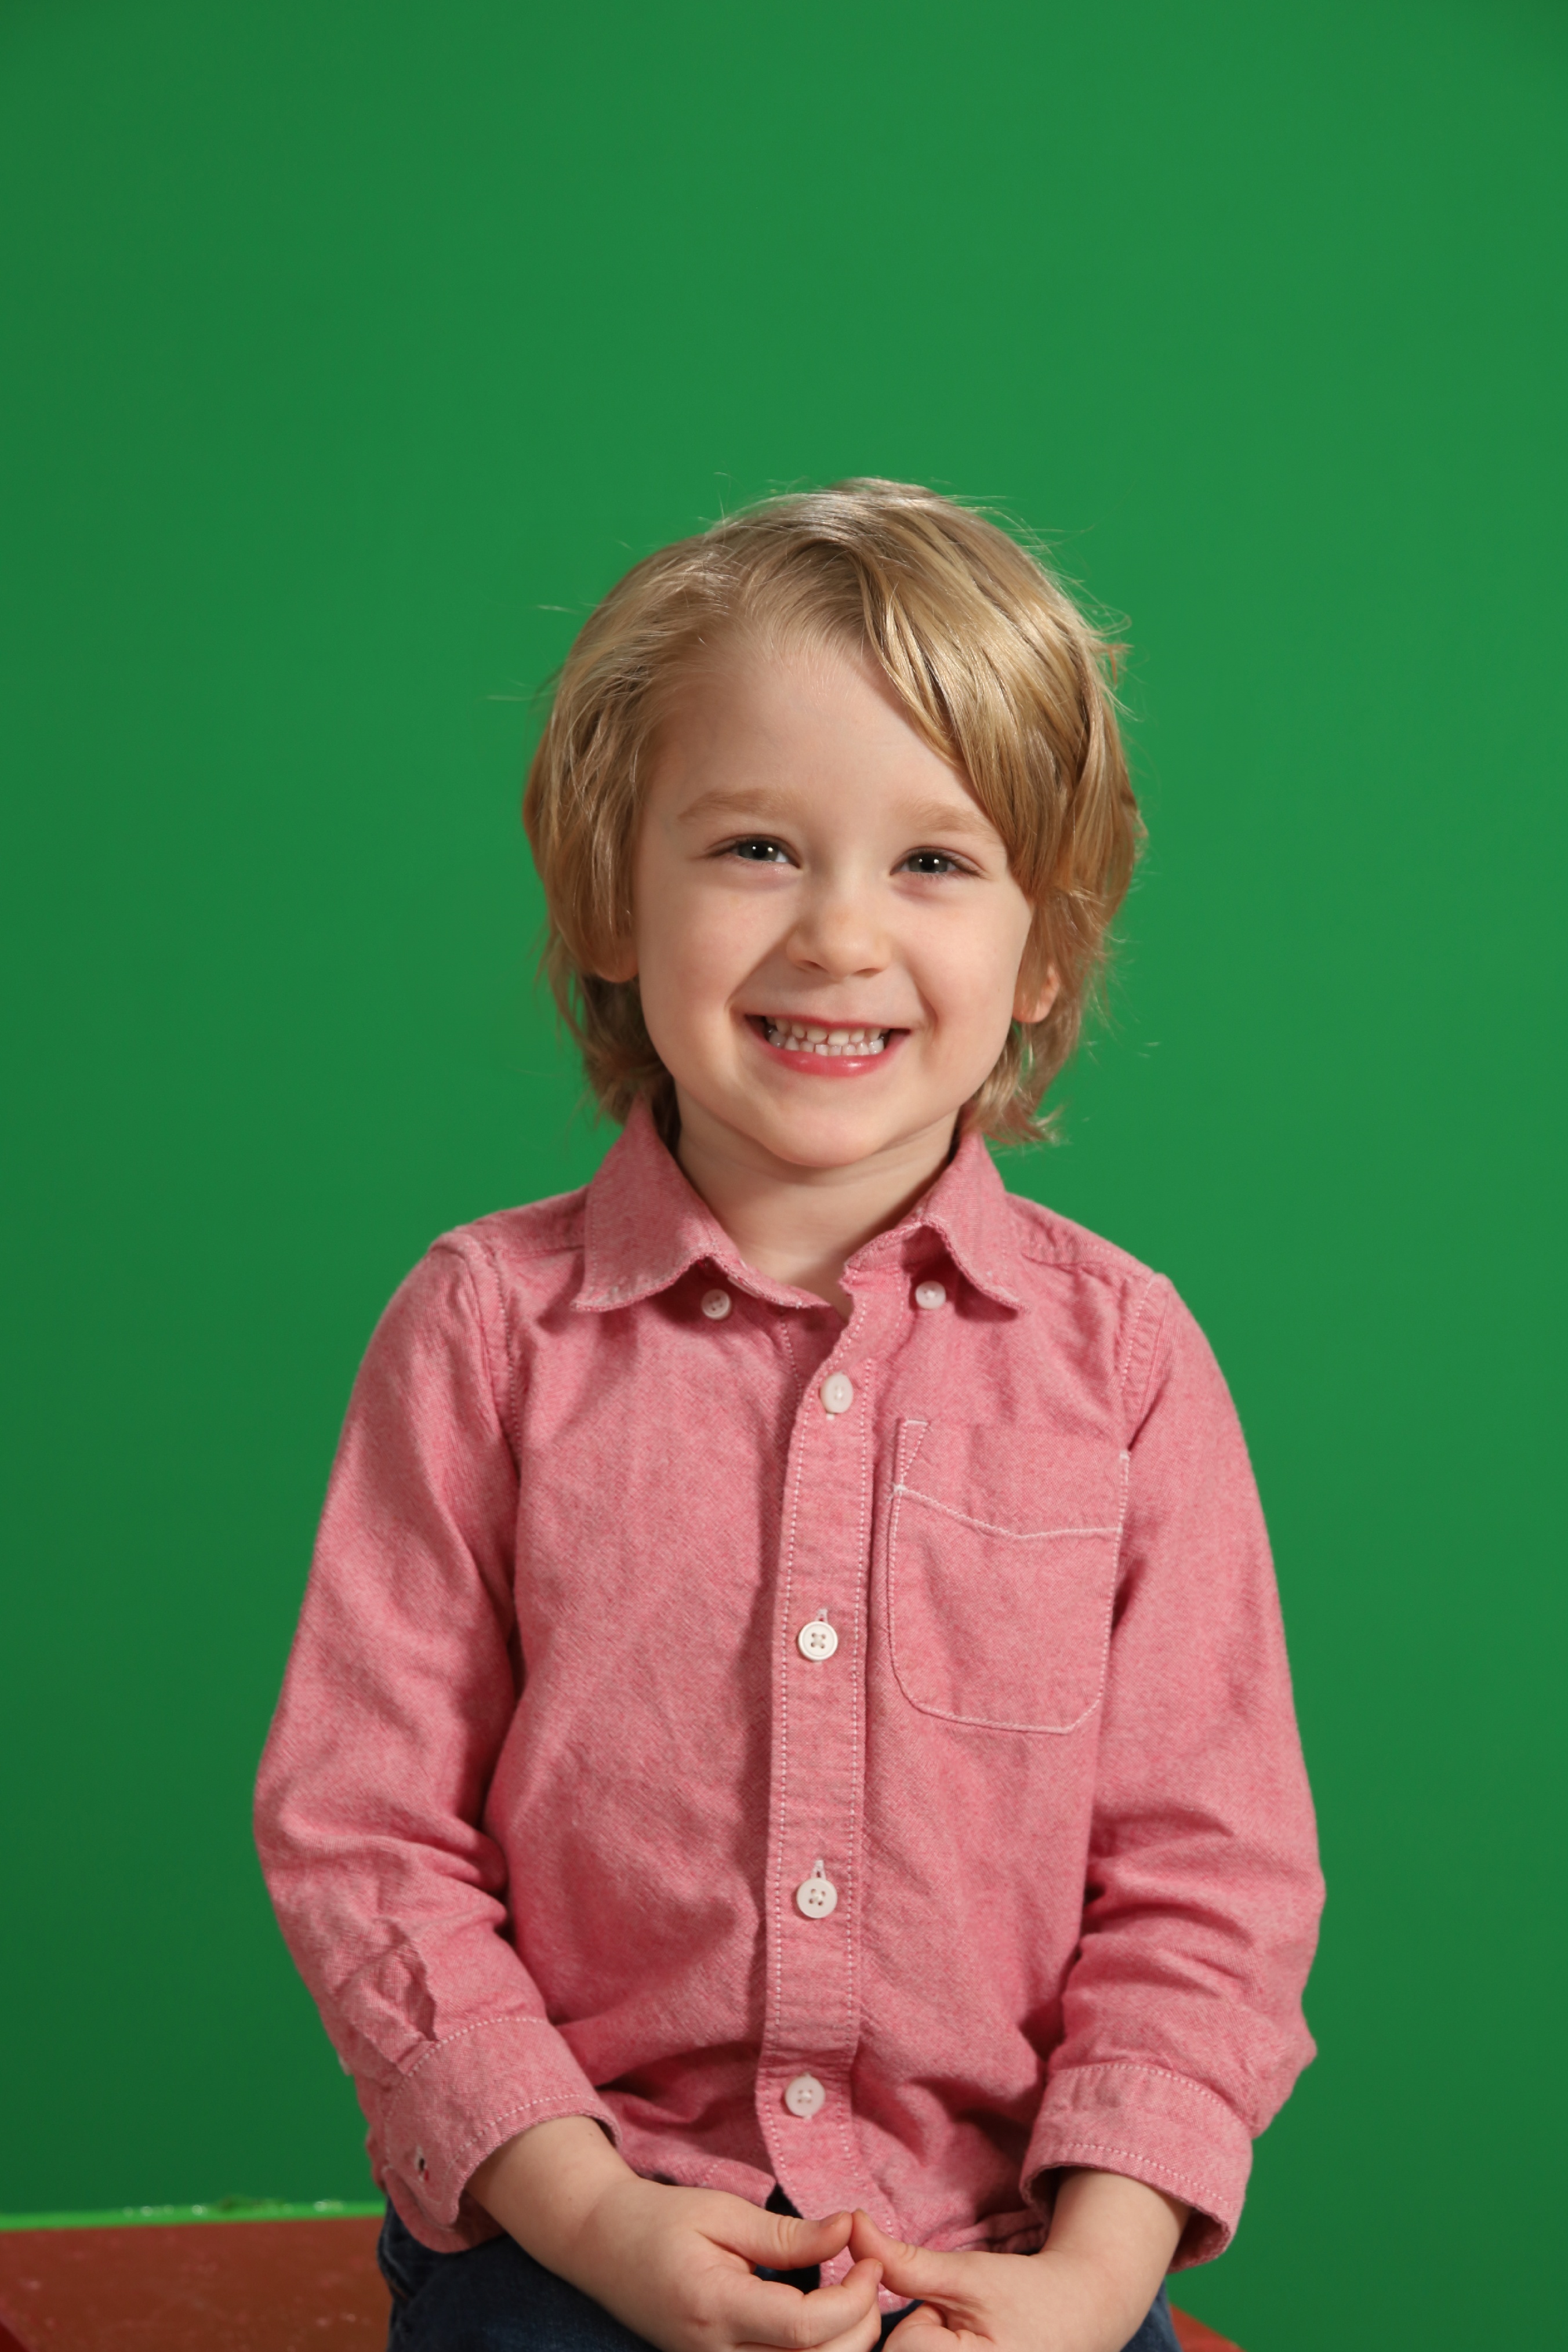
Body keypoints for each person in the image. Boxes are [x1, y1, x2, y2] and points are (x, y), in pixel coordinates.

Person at [255, 481, 1322, 2352]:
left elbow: (1205, 1886)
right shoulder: (486, 1334)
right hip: (581, 2230)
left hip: (1005, 2254)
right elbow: (368, 1834)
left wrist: (1091, 2280)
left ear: (1046, 948)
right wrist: (595, 2217)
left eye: (935, 863)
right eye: (757, 846)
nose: (839, 933)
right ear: (612, 893)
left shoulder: (1128, 1364)